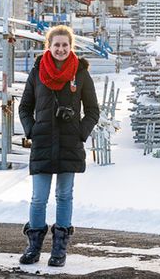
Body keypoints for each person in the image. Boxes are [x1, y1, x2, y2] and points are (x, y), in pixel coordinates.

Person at [18, 25, 99, 267]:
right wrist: (32, 130)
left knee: (64, 196)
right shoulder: (37, 72)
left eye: (65, 45)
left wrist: (80, 133)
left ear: (70, 46)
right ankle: (33, 248)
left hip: (69, 143)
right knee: (38, 198)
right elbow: (24, 107)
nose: (61, 49)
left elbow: (93, 110)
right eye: (57, 45)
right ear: (49, 47)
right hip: (42, 143)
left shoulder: (81, 74)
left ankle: (59, 250)